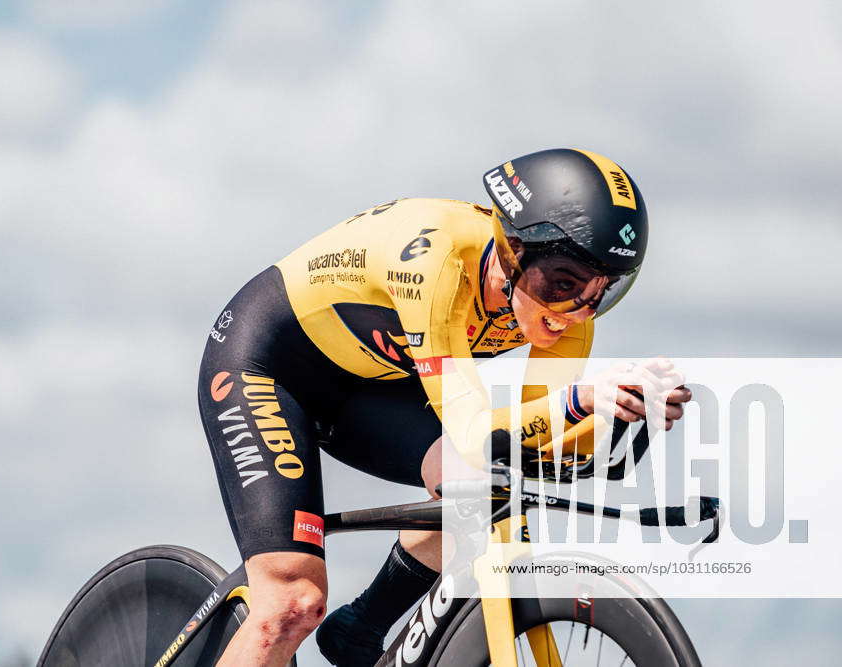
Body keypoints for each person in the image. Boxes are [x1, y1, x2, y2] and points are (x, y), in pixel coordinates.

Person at [197, 148, 691, 666]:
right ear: (513, 250)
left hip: (371, 387)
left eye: (602, 291)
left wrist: (617, 413)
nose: (577, 311)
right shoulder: (435, 264)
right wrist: (578, 400)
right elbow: (480, 429)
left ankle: (361, 627)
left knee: (489, 484)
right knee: (291, 603)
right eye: (564, 283)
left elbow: (534, 446)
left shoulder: (566, 315)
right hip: (271, 368)